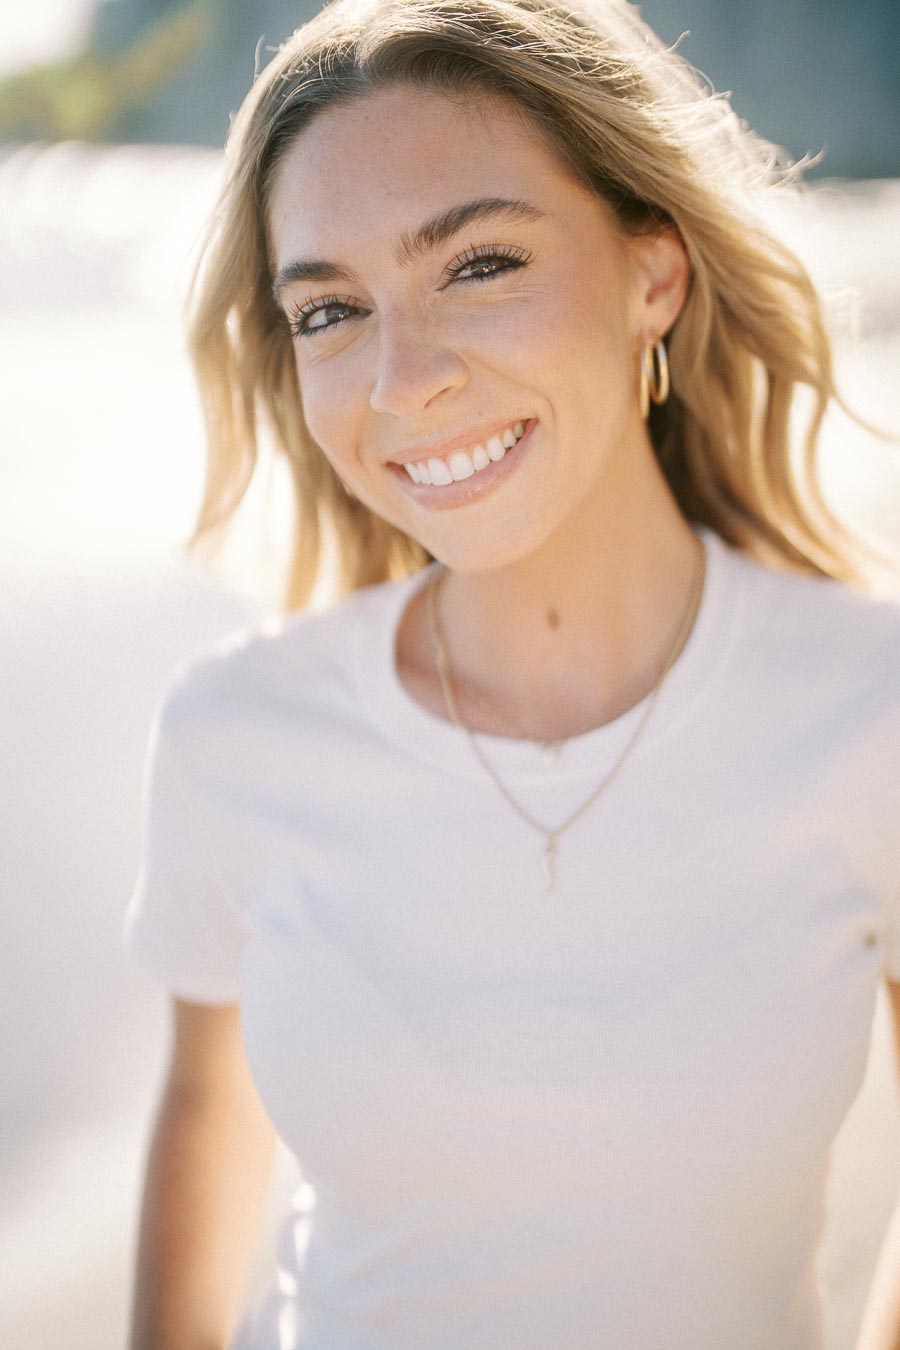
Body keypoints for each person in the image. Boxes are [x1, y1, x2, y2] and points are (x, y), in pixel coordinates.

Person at [123, 0, 900, 1346]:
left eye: (479, 265)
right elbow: (208, 1124)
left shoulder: (867, 708)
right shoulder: (232, 731)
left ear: (652, 274)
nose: (401, 378)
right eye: (330, 309)